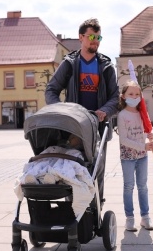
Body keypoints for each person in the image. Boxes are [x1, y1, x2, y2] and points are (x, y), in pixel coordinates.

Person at [45, 17, 119, 203]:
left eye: (98, 37)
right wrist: (62, 110)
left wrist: (105, 111)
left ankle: (97, 208)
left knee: (97, 167)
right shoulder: (70, 64)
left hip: (98, 125)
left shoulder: (106, 66)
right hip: (74, 125)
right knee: (74, 165)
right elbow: (51, 90)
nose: (95, 40)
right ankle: (74, 207)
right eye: (91, 36)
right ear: (81, 37)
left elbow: (116, 98)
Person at [117, 80, 153, 231]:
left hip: (142, 156)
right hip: (128, 157)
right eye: (131, 94)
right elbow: (124, 140)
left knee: (143, 187)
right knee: (128, 186)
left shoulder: (142, 113)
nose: (134, 96)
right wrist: (143, 146)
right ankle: (129, 218)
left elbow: (147, 129)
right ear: (123, 96)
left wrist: (151, 135)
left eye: (137, 94)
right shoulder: (122, 115)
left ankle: (145, 217)